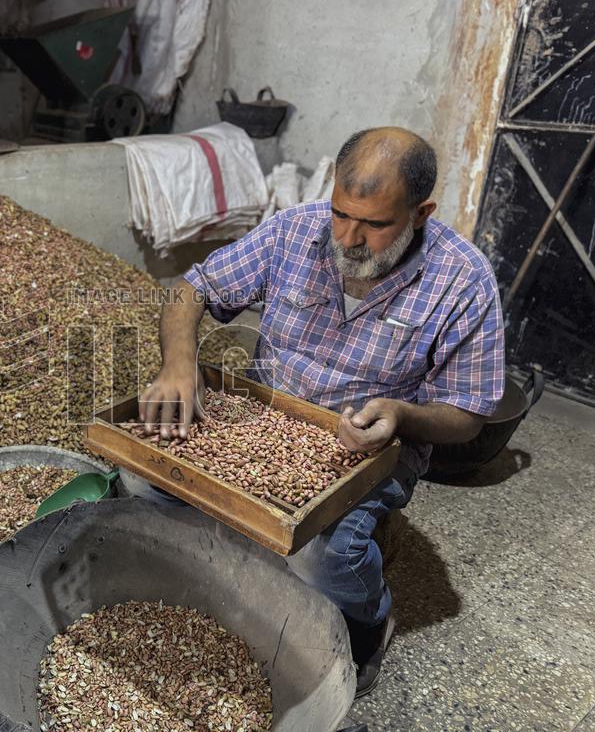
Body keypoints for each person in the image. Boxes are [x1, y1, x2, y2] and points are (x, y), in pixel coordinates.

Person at [139, 126, 505, 696]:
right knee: (145, 486)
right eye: (341, 213)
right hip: (260, 419)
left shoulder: (463, 281)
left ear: (421, 213)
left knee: (323, 555)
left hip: (373, 448)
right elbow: (191, 290)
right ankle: (213, 584)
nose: (349, 238)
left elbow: (469, 414)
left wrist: (402, 415)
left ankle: (368, 625)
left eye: (375, 224)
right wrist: (180, 362)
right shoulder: (294, 231)